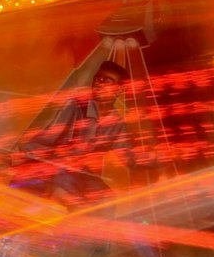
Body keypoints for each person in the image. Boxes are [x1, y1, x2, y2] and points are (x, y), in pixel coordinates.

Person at [11, 63, 150, 206]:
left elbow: (127, 156)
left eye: (107, 80)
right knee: (68, 196)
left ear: (119, 89)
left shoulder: (116, 123)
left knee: (107, 201)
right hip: (58, 166)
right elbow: (48, 137)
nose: (98, 84)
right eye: (97, 79)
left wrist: (151, 158)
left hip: (83, 173)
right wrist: (23, 154)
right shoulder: (76, 106)